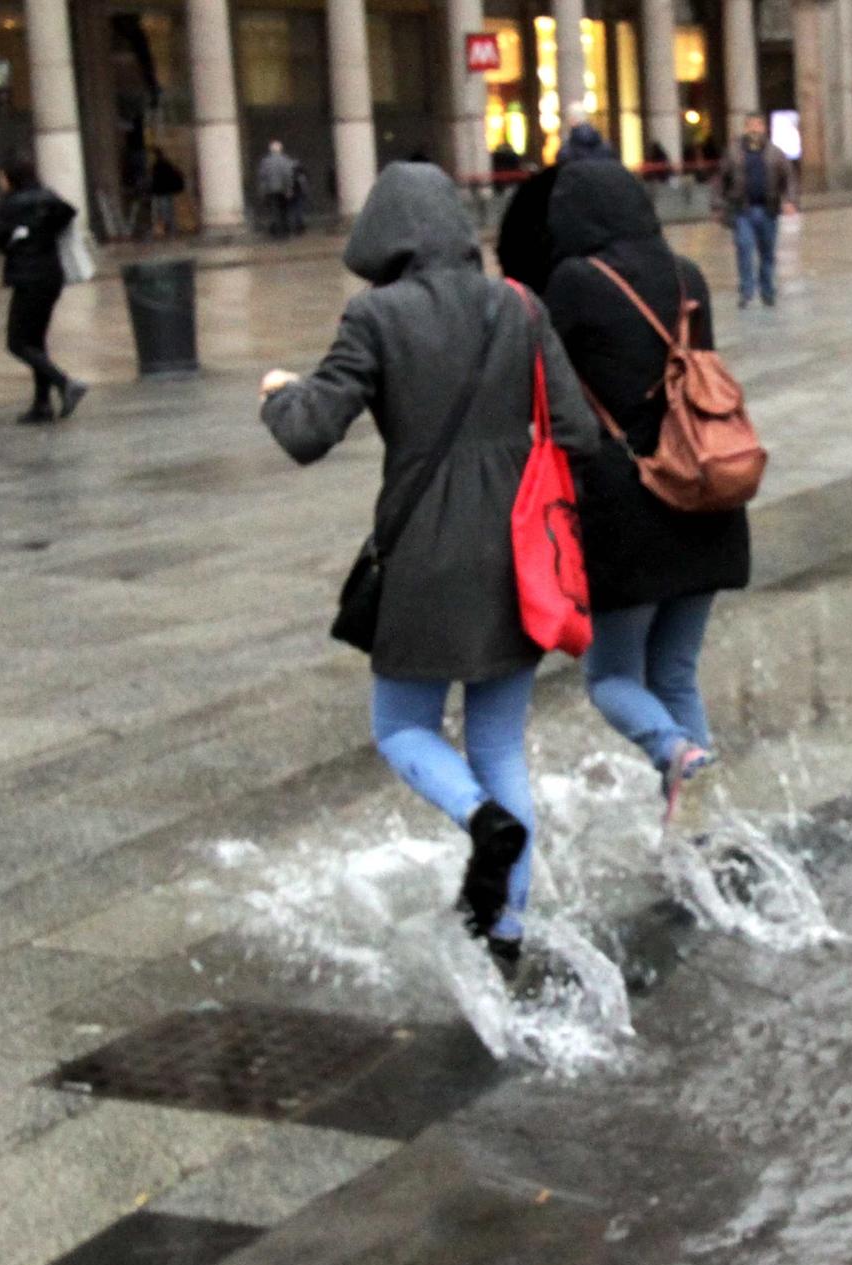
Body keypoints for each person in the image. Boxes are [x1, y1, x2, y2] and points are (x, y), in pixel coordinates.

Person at [257, 163, 601, 972]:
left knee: (402, 726)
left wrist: (279, 391)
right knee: (500, 743)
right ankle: (505, 930)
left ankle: (481, 822)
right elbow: (579, 431)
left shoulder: (375, 315)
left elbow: (310, 430)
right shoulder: (519, 304)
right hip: (520, 559)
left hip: (423, 562)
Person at [543, 160, 752, 818]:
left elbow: (546, 385)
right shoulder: (686, 275)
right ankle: (700, 813)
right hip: (706, 492)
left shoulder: (575, 282)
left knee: (610, 677)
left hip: (626, 504)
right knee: (675, 671)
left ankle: (677, 753)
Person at [0, 154, 88, 424]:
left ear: (11, 177)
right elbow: (68, 213)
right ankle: (42, 405)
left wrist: (18, 238)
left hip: (27, 277)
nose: (0, 182)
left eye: (1, 177)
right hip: (50, 275)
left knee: (17, 343)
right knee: (36, 342)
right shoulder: (47, 197)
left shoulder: (12, 203)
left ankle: (65, 383)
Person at [717, 113, 793, 309]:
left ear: (764, 128)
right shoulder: (734, 152)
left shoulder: (775, 153)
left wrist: (789, 200)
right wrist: (718, 205)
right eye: (750, 125)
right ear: (745, 128)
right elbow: (720, 179)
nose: (754, 129)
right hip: (743, 211)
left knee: (767, 253)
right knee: (744, 248)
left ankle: (767, 291)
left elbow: (789, 178)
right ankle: (746, 291)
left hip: (768, 210)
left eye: (758, 125)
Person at [257, 139, 302, 236]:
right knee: (284, 210)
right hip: (283, 190)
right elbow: (288, 175)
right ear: (281, 150)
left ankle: (277, 231)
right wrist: (289, 189)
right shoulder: (285, 160)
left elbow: (262, 177)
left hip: (271, 190)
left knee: (274, 211)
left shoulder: (265, 161)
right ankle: (285, 230)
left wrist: (262, 191)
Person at [149, 148, 188, 237]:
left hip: (161, 192)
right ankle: (170, 229)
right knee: (167, 211)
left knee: (163, 211)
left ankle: (166, 229)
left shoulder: (159, 166)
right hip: (164, 191)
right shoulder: (166, 165)